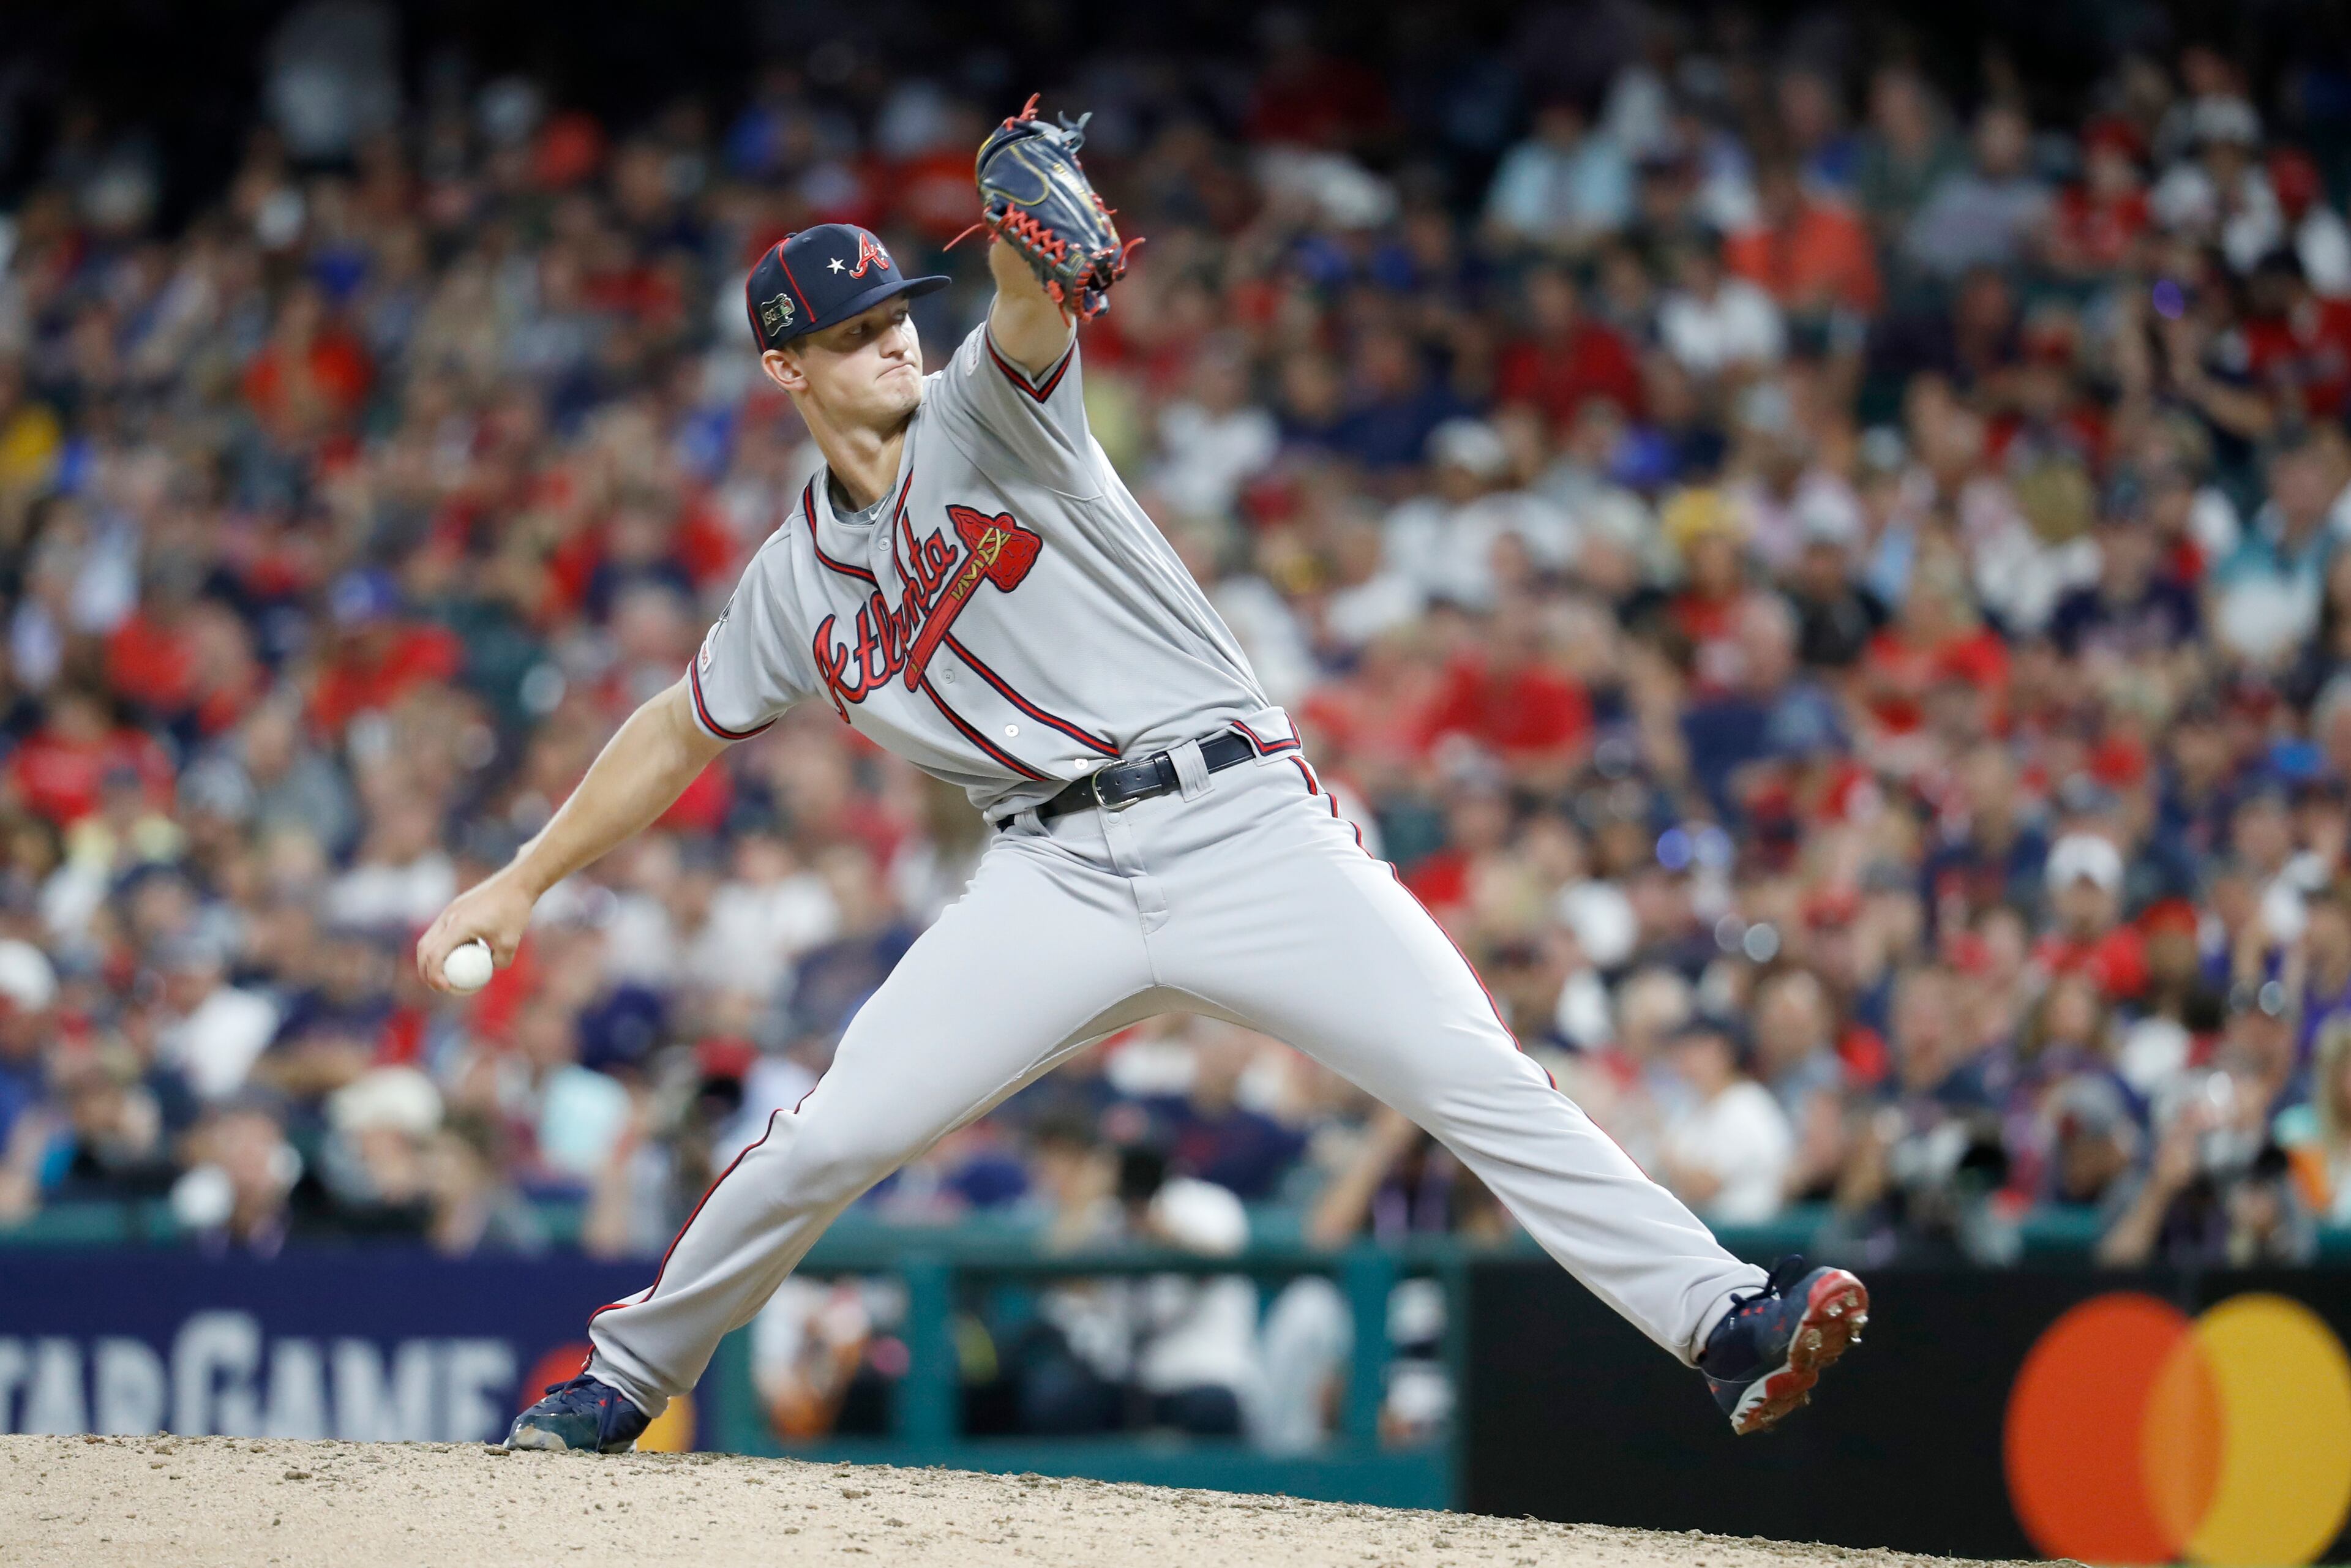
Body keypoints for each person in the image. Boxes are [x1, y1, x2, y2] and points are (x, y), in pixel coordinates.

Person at [422, 127, 1865, 1456]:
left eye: (897, 320)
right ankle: (624, 1379)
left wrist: (1031, 253)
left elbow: (1028, 313)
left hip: (1241, 823)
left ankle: (1721, 1320)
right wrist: (523, 879)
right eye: (854, 336)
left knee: (1474, 1075)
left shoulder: (989, 408)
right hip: (1049, 880)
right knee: (840, 1132)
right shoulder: (792, 584)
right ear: (786, 369)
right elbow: (680, 730)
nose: (893, 349)